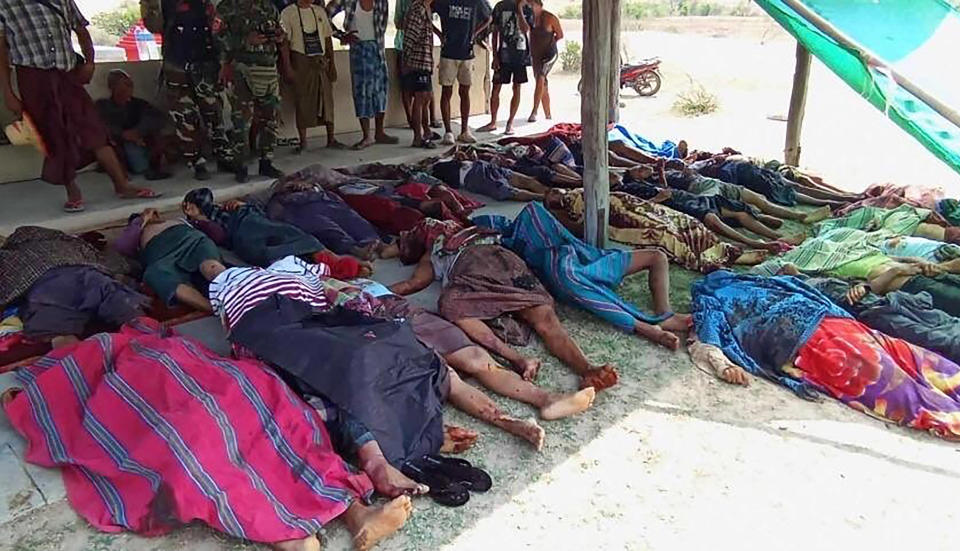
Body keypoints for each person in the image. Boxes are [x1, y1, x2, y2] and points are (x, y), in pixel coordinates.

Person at [2, 317, 413, 551]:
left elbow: (193, 353)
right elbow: (71, 397)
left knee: (272, 413)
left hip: (207, 378)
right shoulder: (83, 357)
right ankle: (294, 539)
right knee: (199, 444)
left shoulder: (146, 335)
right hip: (161, 393)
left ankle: (356, 514)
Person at [209, 256, 552, 454]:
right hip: (284, 328)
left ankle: (508, 421)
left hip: (316, 320)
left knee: (426, 365)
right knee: (351, 379)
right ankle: (427, 434)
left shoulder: (288, 265)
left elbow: (330, 274)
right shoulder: (225, 282)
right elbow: (224, 313)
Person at [691, 270, 960, 441]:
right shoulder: (719, 296)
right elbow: (708, 337)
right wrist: (723, 366)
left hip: (826, 332)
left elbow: (709, 334)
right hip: (816, 340)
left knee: (907, 372)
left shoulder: (746, 285)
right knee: (906, 374)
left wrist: (722, 365)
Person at [390, 224, 619, 392]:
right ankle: (584, 368)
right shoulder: (465, 232)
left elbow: (413, 284)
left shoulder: (435, 250)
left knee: (453, 306)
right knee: (544, 318)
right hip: (504, 260)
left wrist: (373, 289)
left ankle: (528, 360)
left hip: (479, 264)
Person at [0, 0, 158, 212]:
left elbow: (81, 29)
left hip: (67, 74)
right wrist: (8, 92)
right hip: (33, 78)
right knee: (54, 136)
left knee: (93, 128)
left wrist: (90, 62)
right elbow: (1, 51)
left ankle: (122, 185)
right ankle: (72, 191)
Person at [474, 202, 692, 350]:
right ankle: (644, 327)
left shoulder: (541, 211)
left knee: (657, 256)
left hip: (586, 256)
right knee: (568, 274)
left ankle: (665, 312)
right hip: (563, 268)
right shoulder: (511, 243)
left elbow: (564, 233)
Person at [141, 0, 245, 182]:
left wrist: (224, 62)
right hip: (177, 67)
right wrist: (149, 5)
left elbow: (219, 32)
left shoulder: (206, 4)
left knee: (214, 114)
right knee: (185, 118)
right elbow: (153, 26)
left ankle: (223, 157)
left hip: (205, 66)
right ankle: (197, 162)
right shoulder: (165, 4)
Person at [545, 188, 769, 273]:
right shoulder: (567, 208)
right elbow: (582, 224)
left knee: (685, 221)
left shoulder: (580, 186)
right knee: (664, 233)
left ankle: (725, 249)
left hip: (633, 203)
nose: (555, 192)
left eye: (554, 191)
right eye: (551, 196)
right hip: (623, 216)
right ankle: (724, 258)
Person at [0, 226, 145, 348]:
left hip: (50, 292)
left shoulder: (15, 248)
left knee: (59, 336)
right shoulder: (45, 237)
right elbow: (84, 247)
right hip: (85, 277)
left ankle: (79, 367)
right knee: (129, 310)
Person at [216, 0, 285, 178]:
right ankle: (241, 166)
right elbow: (216, 36)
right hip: (242, 70)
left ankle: (266, 162)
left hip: (269, 68)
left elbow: (280, 30)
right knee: (242, 120)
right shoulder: (227, 7)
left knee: (271, 118)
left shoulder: (269, 7)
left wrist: (279, 36)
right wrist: (245, 40)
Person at [113, 208, 225, 313]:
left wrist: (200, 219)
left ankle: (232, 287)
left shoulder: (178, 220)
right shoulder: (139, 233)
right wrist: (141, 220)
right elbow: (122, 246)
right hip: (163, 256)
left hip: (192, 241)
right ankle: (213, 308)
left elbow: (217, 233)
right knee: (156, 275)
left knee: (210, 263)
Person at [327, 0, 400, 149]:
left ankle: (379, 132)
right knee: (361, 91)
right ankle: (367, 136)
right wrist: (341, 35)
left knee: (381, 90)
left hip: (377, 48)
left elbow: (383, 27)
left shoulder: (381, 2)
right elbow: (324, 14)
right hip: (358, 49)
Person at [280, 0, 344, 152]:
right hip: (301, 60)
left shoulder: (319, 11)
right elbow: (284, 43)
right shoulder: (288, 13)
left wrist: (332, 64)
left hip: (320, 60)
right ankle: (303, 142)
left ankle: (331, 138)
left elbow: (328, 38)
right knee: (303, 100)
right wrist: (288, 67)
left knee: (327, 100)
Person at [95, 69, 172, 181]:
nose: (129, 88)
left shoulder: (138, 104)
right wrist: (123, 134)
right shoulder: (103, 106)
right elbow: (99, 125)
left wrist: (138, 131)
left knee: (159, 137)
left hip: (140, 141)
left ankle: (154, 167)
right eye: (125, 84)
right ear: (112, 87)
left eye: (130, 84)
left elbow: (158, 117)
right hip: (121, 144)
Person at [433, 0, 491, 144]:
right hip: (448, 53)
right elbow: (426, 8)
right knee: (447, 92)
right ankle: (448, 132)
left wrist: (475, 34)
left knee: (465, 92)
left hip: (467, 52)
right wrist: (439, 34)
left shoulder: (476, 2)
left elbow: (489, 17)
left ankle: (465, 131)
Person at [476, 0, 532, 135]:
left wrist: (519, 8)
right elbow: (495, 33)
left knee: (517, 87)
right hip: (503, 55)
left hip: (520, 55)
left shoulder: (527, 8)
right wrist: (495, 55)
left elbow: (526, 29)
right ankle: (493, 122)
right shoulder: (500, 6)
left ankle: (510, 123)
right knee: (496, 88)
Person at [400, 0, 437, 148]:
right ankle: (417, 136)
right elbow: (409, 37)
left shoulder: (427, 8)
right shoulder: (418, 9)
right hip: (417, 61)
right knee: (420, 99)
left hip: (425, 60)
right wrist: (406, 61)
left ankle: (426, 131)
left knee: (426, 97)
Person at [431, 155, 548, 201]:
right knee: (510, 191)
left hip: (482, 166)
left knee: (526, 180)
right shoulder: (435, 168)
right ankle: (545, 197)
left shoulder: (448, 159)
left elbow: (455, 150)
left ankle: (551, 193)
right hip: (473, 176)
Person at [527, 0, 559, 122]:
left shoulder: (550, 18)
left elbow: (560, 35)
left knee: (540, 77)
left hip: (549, 54)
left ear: (539, 5)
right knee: (542, 84)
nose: (531, 7)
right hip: (536, 55)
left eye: (533, 5)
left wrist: (548, 44)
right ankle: (548, 115)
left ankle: (534, 111)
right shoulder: (529, 18)